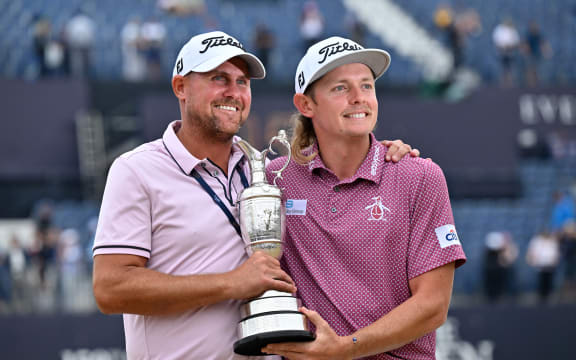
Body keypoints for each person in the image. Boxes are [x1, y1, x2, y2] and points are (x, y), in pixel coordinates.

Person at [92, 31, 417, 360]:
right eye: (218, 78)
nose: (233, 92)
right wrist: (231, 283)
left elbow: (341, 162)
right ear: (181, 87)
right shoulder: (137, 170)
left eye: (242, 82)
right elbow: (110, 288)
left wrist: (387, 154)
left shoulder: (268, 170)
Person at [263, 37, 467, 359]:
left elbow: (433, 306)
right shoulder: (276, 178)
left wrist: (346, 349)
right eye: (341, 89)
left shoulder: (420, 176)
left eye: (367, 86)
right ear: (306, 105)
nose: (359, 99)